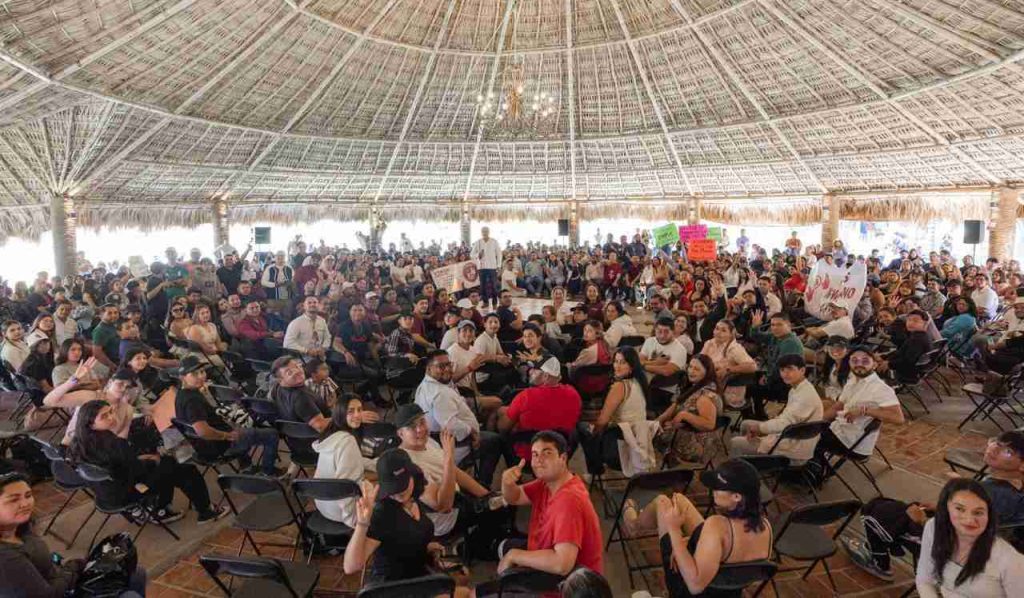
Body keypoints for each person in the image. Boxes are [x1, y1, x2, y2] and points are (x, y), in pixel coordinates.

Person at [622, 459, 772, 598]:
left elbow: (695, 586)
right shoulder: (766, 527)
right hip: (727, 592)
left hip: (687, 589)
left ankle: (634, 525)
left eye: (719, 487)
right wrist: (693, 542)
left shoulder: (717, 525)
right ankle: (636, 524)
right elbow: (741, 568)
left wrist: (674, 530)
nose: (713, 489)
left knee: (662, 502)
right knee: (679, 500)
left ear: (737, 497)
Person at [68, 399, 227, 526]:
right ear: (91, 424)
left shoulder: (79, 443)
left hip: (107, 495)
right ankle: (205, 512)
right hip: (128, 493)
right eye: (104, 416)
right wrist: (153, 460)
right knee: (182, 469)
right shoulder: (114, 443)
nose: (111, 417)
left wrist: (144, 460)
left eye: (111, 411)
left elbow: (120, 465)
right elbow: (138, 472)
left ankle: (161, 508)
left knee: (167, 465)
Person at [342, 451, 471, 597]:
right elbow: (351, 567)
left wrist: (428, 547)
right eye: (393, 488)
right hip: (395, 587)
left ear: (413, 475)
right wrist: (362, 524)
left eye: (402, 484)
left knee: (463, 577)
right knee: (466, 594)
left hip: (417, 575)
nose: (398, 492)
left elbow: (405, 537)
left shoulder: (413, 498)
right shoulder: (382, 514)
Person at [0, 471, 149, 597]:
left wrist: (66, 566)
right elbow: (48, 595)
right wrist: (72, 568)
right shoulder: (6, 557)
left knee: (136, 573)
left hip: (60, 580)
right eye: (13, 500)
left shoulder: (20, 529)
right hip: (58, 592)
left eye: (28, 495)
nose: (25, 503)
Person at [499, 431, 603, 576]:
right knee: (502, 546)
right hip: (547, 551)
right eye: (535, 454)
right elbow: (515, 498)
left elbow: (562, 564)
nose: (539, 460)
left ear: (563, 458)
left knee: (482, 588)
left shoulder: (569, 500)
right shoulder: (548, 482)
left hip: (569, 582)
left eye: (547, 453)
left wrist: (514, 555)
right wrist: (507, 483)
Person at [171, 356, 282, 476]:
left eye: (202, 372)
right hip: (221, 445)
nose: (201, 376)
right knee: (272, 434)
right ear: (182, 377)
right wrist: (226, 436)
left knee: (235, 424)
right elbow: (203, 431)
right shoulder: (193, 401)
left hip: (203, 447)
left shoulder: (181, 394)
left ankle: (246, 466)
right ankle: (268, 472)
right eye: (194, 374)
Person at [808, 347, 905, 484]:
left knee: (803, 437)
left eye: (865, 361)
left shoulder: (880, 388)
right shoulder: (853, 380)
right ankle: (814, 466)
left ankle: (813, 474)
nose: (859, 364)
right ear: (849, 364)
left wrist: (864, 410)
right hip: (840, 430)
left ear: (874, 364)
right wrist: (816, 422)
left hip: (851, 443)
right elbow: (838, 406)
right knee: (805, 427)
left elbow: (898, 418)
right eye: (854, 360)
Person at [916, 478, 1024, 597]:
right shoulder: (934, 527)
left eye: (978, 512)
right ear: (945, 509)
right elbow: (924, 578)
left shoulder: (1011, 561)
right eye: (960, 509)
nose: (969, 520)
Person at [415, 350, 503, 484]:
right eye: (441, 366)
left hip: (440, 440)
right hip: (455, 446)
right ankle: (482, 485)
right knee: (495, 441)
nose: (447, 369)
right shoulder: (439, 394)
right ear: (429, 369)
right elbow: (451, 425)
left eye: (448, 364)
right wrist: (471, 432)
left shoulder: (428, 384)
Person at [730, 354, 823, 462]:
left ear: (802, 370)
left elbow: (785, 423)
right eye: (782, 370)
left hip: (794, 447)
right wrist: (762, 427)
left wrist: (760, 428)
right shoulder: (797, 388)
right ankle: (749, 462)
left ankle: (742, 468)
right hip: (789, 435)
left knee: (735, 443)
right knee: (745, 424)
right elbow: (786, 420)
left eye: (790, 369)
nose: (785, 374)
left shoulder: (805, 395)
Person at [578, 347, 654, 476]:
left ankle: (595, 472)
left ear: (632, 366)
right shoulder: (640, 382)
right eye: (616, 361)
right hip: (640, 445)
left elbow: (602, 421)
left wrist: (593, 430)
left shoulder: (620, 386)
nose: (617, 366)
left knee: (581, 427)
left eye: (622, 362)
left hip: (620, 451)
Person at [498, 360, 582, 463]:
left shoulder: (526, 396)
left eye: (534, 370)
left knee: (504, 431)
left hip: (527, 457)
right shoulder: (574, 394)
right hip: (558, 454)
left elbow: (504, 428)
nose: (530, 372)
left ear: (545, 376)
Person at [312, 394, 375, 528]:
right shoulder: (348, 441)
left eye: (359, 409)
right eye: (350, 411)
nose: (357, 415)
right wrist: (353, 521)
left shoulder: (331, 435)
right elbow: (344, 487)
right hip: (341, 512)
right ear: (340, 413)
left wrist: (375, 464)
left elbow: (352, 459)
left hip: (324, 505)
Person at [656, 354, 722, 467]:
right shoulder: (693, 385)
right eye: (690, 367)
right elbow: (676, 404)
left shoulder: (705, 396)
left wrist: (684, 415)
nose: (691, 371)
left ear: (707, 373)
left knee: (650, 437)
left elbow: (709, 425)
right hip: (686, 431)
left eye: (697, 369)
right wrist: (659, 420)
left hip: (696, 445)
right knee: (651, 429)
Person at [746, 311, 804, 420]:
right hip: (776, 376)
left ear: (789, 325)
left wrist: (767, 378)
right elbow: (756, 336)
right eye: (772, 325)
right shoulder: (776, 337)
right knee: (749, 377)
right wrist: (755, 326)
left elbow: (780, 369)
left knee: (749, 388)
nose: (775, 328)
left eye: (779, 325)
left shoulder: (790, 343)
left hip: (786, 385)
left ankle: (755, 417)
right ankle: (759, 414)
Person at [473, 226, 503, 309]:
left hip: (492, 267)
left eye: (486, 231)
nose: (485, 232)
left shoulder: (494, 241)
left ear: (489, 232)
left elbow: (499, 254)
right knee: (483, 286)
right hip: (481, 267)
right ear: (481, 232)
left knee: (494, 286)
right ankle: (485, 302)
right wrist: (478, 255)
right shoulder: (478, 242)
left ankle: (494, 303)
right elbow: (472, 254)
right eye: (483, 231)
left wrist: (499, 266)